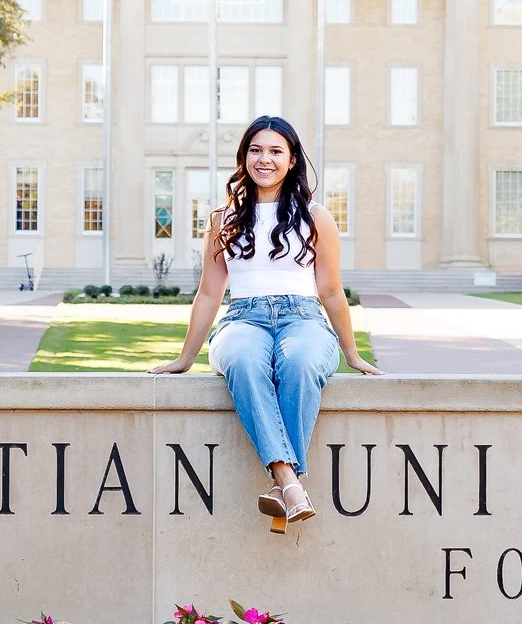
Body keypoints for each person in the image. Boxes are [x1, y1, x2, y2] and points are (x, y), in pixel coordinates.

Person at [151, 115, 381, 529]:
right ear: (244, 157)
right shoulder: (224, 218)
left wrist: (352, 352)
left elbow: (330, 291)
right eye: (256, 150)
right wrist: (184, 358)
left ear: (292, 160)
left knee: (300, 362)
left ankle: (282, 484)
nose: (265, 159)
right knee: (242, 360)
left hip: (303, 317)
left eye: (276, 151)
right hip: (243, 318)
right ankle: (289, 479)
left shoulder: (316, 216)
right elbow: (209, 293)